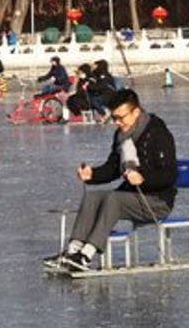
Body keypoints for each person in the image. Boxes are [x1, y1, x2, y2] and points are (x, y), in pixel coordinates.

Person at [44, 89, 176, 272]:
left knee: (113, 198)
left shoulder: (158, 134)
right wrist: (92, 174)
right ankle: (73, 251)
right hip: (131, 197)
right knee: (94, 197)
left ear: (136, 112)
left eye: (121, 117)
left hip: (157, 201)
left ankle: (86, 255)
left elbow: (169, 175)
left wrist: (143, 179)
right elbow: (113, 169)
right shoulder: (121, 136)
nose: (117, 122)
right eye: (114, 118)